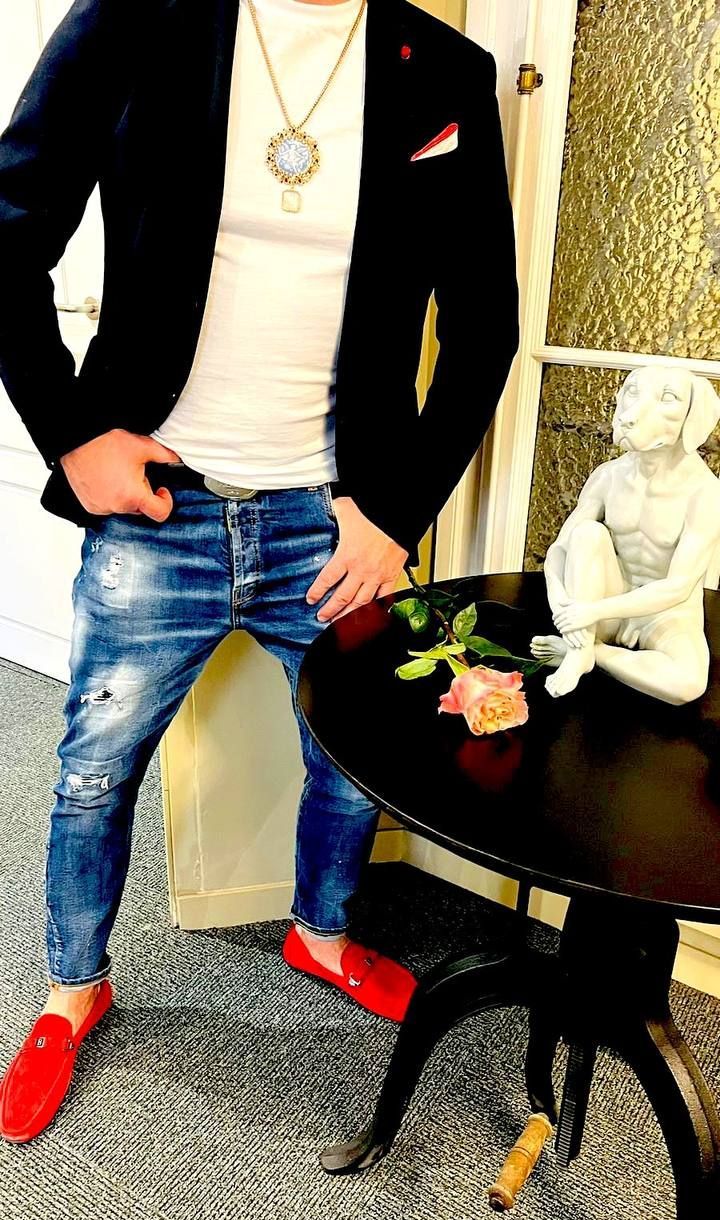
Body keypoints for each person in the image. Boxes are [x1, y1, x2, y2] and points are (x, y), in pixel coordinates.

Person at [0, 0, 518, 1144]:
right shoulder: (131, 20)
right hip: (159, 505)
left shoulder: (443, 71)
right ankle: (73, 988)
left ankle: (321, 933)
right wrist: (71, 435)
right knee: (93, 768)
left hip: (337, 521)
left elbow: (484, 326)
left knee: (358, 755)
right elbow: (7, 229)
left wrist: (395, 513)